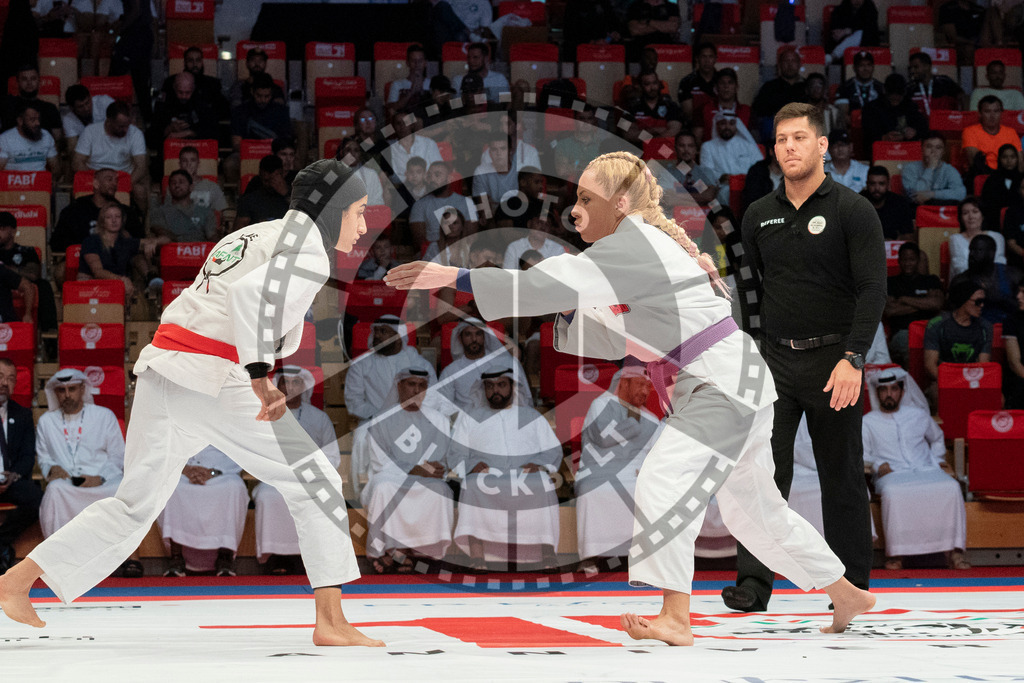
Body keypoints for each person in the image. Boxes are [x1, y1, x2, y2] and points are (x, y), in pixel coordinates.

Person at [385, 145, 877, 643]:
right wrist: (550, 305)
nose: (574, 210)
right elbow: (608, 331)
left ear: (620, 202)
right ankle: (846, 591)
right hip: (731, 379)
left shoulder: (634, 242)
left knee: (665, 478)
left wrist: (457, 276)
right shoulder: (632, 253)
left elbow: (555, 284)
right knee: (754, 513)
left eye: (585, 199)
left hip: (720, 382)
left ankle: (676, 615)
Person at [0, 160, 385, 648]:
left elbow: (225, 302)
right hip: (212, 377)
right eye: (357, 210)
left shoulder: (251, 235)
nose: (362, 224)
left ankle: (15, 582)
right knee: (317, 479)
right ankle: (331, 622)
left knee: (134, 505)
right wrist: (261, 377)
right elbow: (249, 299)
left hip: (163, 370)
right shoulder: (309, 248)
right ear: (330, 209)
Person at [727, 102, 885, 614]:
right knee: (762, 475)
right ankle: (753, 585)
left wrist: (854, 357)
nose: (789, 148)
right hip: (772, 362)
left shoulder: (851, 210)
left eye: (799, 138)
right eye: (780, 140)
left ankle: (852, 585)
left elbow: (872, 291)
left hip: (833, 362)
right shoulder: (757, 213)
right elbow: (748, 294)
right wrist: (746, 358)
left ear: (822, 145)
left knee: (840, 477)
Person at [449, 365, 561, 571]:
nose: (495, 391)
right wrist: (471, 466)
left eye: (501, 385)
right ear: (483, 389)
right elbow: (456, 452)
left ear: (512, 386)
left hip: (525, 474)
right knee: (471, 485)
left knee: (543, 483)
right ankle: (477, 557)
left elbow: (552, 449)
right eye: (490, 386)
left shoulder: (531, 416)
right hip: (487, 475)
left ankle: (547, 554)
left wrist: (540, 465)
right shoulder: (470, 417)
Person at [862, 368, 969, 570]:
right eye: (883, 390)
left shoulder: (918, 415)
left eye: (894, 389)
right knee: (894, 493)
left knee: (952, 487)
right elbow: (862, 453)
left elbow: (937, 438)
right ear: (877, 393)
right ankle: (897, 555)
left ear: (902, 392)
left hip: (926, 469)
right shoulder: (868, 422)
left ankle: (955, 553)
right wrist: (877, 464)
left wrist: (937, 460)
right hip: (892, 474)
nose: (889, 394)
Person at [35, 370, 135, 573]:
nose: (67, 395)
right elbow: (44, 457)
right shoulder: (47, 421)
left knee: (119, 490)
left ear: (82, 389)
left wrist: (100, 478)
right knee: (54, 490)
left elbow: (118, 455)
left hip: (102, 481)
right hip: (68, 484)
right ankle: (60, 559)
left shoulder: (104, 416)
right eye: (61, 391)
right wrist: (51, 468)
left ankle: (122, 557)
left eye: (72, 389)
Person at [361, 361, 454, 573]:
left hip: (427, 478)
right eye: (411, 384)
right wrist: (414, 468)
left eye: (422, 385)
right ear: (399, 386)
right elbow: (379, 461)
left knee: (441, 490)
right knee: (384, 489)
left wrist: (434, 469)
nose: (416, 390)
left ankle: (421, 550)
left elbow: (444, 457)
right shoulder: (381, 418)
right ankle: (392, 549)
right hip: (390, 476)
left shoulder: (439, 419)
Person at [252, 367, 341, 575]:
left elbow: (333, 456)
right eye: (286, 382)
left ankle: (308, 557)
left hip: (310, 480)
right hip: (276, 479)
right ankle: (275, 557)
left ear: (305, 387)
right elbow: (257, 453)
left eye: (296, 383)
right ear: (278, 386)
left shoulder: (319, 418)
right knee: (267, 497)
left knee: (317, 498)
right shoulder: (266, 416)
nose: (290, 387)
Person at [575, 364, 663, 571]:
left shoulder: (651, 418)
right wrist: (632, 422)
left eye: (648, 387)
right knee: (594, 492)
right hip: (599, 472)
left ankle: (647, 559)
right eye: (640, 385)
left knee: (654, 491)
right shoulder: (602, 405)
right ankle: (591, 557)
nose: (645, 392)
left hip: (637, 474)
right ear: (623, 383)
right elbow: (604, 439)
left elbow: (658, 454)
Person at [158, 445, 248, 577]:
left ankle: (225, 558)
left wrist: (213, 472)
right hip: (183, 472)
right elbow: (168, 445)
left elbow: (238, 449)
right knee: (171, 487)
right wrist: (185, 469)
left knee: (235, 487)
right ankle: (176, 558)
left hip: (222, 474)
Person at [438, 318, 530, 411]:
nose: (474, 339)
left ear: (484, 336)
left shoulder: (508, 363)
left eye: (478, 334)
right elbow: (444, 408)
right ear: (460, 338)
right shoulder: (450, 371)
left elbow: (525, 400)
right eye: (468, 334)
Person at [0, 357, 39, 575]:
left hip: (10, 480)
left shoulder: (22, 415)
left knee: (36, 498)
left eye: (11, 379)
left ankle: (2, 542)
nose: (5, 383)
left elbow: (27, 456)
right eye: (0, 376)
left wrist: (13, 476)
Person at [72, 101, 149, 211]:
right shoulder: (90, 131)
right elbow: (77, 162)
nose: (126, 130)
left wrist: (125, 184)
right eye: (121, 126)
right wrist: (96, 181)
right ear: (109, 121)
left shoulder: (136, 133)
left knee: (140, 192)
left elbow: (141, 166)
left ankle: (141, 226)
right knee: (76, 192)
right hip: (95, 177)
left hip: (122, 177)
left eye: (127, 125)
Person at [79, 203, 165, 300]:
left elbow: (167, 240)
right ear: (102, 221)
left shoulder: (125, 242)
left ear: (122, 220)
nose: (114, 220)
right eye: (109, 217)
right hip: (91, 290)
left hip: (117, 288)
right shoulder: (91, 241)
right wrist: (121, 280)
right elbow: (98, 272)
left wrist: (155, 242)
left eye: (117, 216)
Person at [50, 167, 144, 254]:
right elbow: (57, 243)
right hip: (81, 260)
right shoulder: (74, 210)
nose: (114, 183)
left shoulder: (126, 212)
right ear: (96, 184)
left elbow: (139, 241)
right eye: (109, 179)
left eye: (116, 180)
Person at [885, 242, 945, 366]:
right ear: (899, 261)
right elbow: (890, 310)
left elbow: (937, 304)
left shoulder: (931, 280)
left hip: (929, 331)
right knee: (911, 353)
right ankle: (913, 384)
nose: (907, 263)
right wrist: (923, 305)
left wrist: (903, 299)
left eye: (911, 259)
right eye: (904, 259)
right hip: (902, 332)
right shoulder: (890, 282)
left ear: (918, 260)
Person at [924, 279, 992, 383]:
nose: (982, 305)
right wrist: (953, 383)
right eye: (978, 302)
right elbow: (930, 366)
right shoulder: (937, 324)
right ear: (963, 300)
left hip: (973, 380)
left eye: (983, 301)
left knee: (999, 398)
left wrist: (966, 384)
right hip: (943, 380)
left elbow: (983, 364)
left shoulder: (985, 327)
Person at [0, 212, 56, 334]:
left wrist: (6, 270)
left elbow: (33, 275)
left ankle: (49, 333)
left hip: (19, 284)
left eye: (2, 228)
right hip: (4, 286)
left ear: (13, 231)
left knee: (43, 285)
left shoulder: (27, 251)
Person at [409, 161, 480, 252]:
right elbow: (419, 241)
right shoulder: (419, 205)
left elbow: (472, 236)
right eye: (429, 175)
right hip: (433, 253)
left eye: (437, 175)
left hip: (461, 252)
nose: (432, 179)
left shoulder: (467, 202)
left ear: (449, 178)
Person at [699, 113, 763, 208]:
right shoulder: (708, 147)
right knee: (723, 195)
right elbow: (706, 173)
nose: (727, 127)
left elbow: (760, 167)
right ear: (717, 125)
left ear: (737, 126)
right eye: (723, 123)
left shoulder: (748, 146)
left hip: (747, 186)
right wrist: (721, 178)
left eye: (731, 123)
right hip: (722, 187)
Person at [954, 234, 1020, 325]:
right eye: (970, 250)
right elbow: (954, 317)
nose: (972, 254)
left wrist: (1001, 298)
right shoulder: (960, 281)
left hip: (1010, 332)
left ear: (991, 253)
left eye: (978, 250)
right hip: (975, 334)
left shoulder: (1011, 275)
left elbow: (1021, 308)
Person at [148, 72, 220, 146]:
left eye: (188, 92)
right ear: (174, 87)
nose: (184, 96)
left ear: (193, 88)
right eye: (180, 92)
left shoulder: (201, 105)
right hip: (170, 150)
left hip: (198, 149)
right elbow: (151, 137)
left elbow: (214, 133)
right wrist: (168, 129)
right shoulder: (164, 106)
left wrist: (190, 133)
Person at [751, 47, 806, 142]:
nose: (789, 64)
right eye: (786, 61)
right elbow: (758, 113)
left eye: (793, 61)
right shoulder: (769, 87)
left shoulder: (807, 87)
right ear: (779, 65)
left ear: (799, 64)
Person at [159, 45, 228, 117]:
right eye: (190, 61)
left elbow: (223, 110)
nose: (195, 64)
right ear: (185, 62)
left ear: (202, 62)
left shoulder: (213, 84)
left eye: (198, 60)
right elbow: (161, 109)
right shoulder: (171, 82)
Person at [150, 170, 218, 243]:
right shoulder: (160, 211)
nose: (177, 185)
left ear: (191, 187)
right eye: (173, 183)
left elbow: (212, 236)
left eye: (181, 182)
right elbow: (161, 232)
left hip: (199, 250)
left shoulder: (204, 211)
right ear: (169, 188)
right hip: (172, 250)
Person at [656, 131, 719, 209]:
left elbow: (709, 196)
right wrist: (701, 198)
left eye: (690, 146)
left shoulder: (706, 172)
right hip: (675, 218)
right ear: (675, 148)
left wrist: (677, 195)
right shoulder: (666, 174)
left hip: (703, 217)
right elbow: (669, 200)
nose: (686, 150)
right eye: (682, 146)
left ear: (696, 149)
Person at [0, 65, 62, 144]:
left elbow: (57, 140)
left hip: (42, 152)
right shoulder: (6, 105)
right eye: (24, 79)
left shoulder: (50, 108)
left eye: (33, 79)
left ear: (39, 81)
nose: (29, 83)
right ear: (17, 82)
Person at [901, 133, 967, 205]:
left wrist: (932, 194)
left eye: (938, 147)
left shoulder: (950, 170)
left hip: (941, 211)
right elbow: (917, 197)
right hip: (915, 210)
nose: (933, 151)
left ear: (943, 152)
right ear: (922, 149)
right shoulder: (910, 168)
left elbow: (961, 194)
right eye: (929, 147)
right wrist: (930, 168)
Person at [950, 196, 1007, 279]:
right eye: (965, 213)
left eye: (975, 212)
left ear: (982, 215)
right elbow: (960, 268)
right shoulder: (955, 239)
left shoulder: (997, 237)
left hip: (993, 282)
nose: (971, 217)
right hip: (965, 282)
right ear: (961, 218)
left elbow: (1000, 263)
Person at [963, 96, 1022, 174]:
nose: (992, 116)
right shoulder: (970, 131)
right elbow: (975, 163)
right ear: (980, 114)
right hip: (981, 176)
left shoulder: (1011, 132)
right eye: (987, 111)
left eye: (996, 111)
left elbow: (1020, 162)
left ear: (1001, 113)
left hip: (1007, 175)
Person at [234, 155, 291, 230]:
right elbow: (239, 228)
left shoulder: (294, 193)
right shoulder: (250, 199)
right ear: (261, 174)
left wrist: (286, 194)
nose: (271, 183)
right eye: (267, 180)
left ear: (282, 174)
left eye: (275, 179)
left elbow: (302, 216)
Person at [166, 145, 227, 215]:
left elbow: (219, 213)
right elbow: (170, 213)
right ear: (180, 164)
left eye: (192, 160)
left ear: (198, 163)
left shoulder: (211, 186)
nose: (189, 164)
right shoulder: (173, 187)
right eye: (184, 161)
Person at [385, 111, 442, 184]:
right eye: (398, 123)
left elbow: (439, 169)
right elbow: (392, 177)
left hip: (428, 186)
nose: (402, 126)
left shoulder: (428, 143)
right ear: (394, 127)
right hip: (402, 189)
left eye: (406, 122)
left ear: (412, 125)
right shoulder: (389, 147)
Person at [0, 102, 58, 173]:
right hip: (14, 182)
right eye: (32, 119)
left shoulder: (46, 136)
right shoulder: (5, 139)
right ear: (20, 121)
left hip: (40, 181)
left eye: (38, 119)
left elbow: (55, 167)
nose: (37, 123)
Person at [697, 68, 750, 143]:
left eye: (730, 82)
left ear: (736, 87)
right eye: (722, 83)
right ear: (716, 87)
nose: (726, 86)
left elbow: (754, 141)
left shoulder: (747, 111)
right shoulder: (704, 109)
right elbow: (697, 139)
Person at [863, 166, 916, 241]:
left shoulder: (900, 203)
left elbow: (909, 235)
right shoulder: (857, 203)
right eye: (872, 184)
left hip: (893, 248)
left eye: (881, 184)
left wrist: (893, 241)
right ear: (867, 184)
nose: (877, 188)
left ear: (888, 184)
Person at [835, 50, 884, 127]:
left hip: (876, 126)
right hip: (852, 126)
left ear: (873, 67)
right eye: (861, 65)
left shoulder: (881, 88)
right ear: (854, 68)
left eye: (868, 65)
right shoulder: (845, 88)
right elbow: (843, 115)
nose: (865, 69)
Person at [907, 51, 965, 116]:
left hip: (944, 123)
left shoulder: (945, 82)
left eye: (916, 67)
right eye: (910, 68)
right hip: (921, 125)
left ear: (927, 66)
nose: (912, 71)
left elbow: (960, 96)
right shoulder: (911, 88)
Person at [628, 71, 683, 139]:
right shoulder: (630, 106)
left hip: (664, 148)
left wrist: (652, 139)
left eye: (655, 83)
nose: (652, 88)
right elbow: (627, 134)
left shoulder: (671, 105)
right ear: (640, 86)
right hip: (639, 148)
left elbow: (675, 130)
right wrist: (653, 131)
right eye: (647, 84)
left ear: (659, 84)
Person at [677, 42, 718, 128]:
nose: (707, 61)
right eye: (703, 57)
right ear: (697, 59)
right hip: (694, 126)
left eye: (710, 57)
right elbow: (688, 113)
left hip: (719, 125)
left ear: (715, 59)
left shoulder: (722, 80)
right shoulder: (687, 82)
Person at [981, 145, 1023, 226]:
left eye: (1012, 157)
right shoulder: (992, 179)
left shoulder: (1022, 179)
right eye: (1005, 157)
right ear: (999, 159)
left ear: (1017, 159)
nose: (1009, 160)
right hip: (994, 221)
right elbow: (987, 204)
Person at [62, 84, 114, 150]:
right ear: (72, 108)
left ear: (90, 96)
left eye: (87, 103)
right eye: (81, 106)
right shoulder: (68, 120)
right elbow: (73, 148)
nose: (86, 108)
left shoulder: (105, 102)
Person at [386, 43, 431, 115]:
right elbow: (392, 109)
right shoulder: (397, 84)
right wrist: (411, 92)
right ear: (408, 63)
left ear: (425, 63)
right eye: (413, 60)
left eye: (420, 61)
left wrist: (422, 92)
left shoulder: (432, 84)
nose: (417, 64)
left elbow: (437, 110)